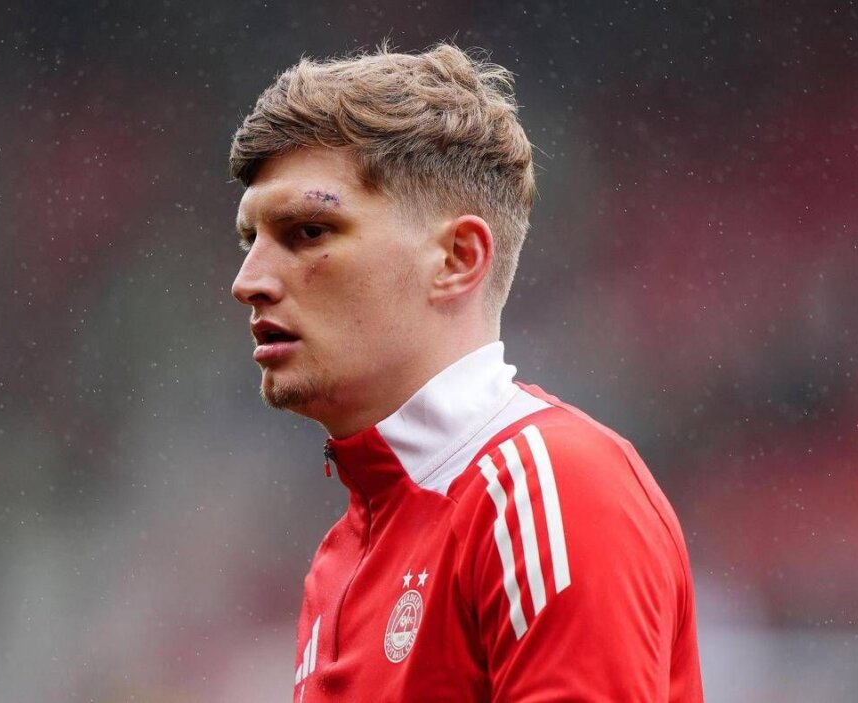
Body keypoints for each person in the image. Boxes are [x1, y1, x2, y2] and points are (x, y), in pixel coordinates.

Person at [229, 43, 703, 702]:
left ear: (457, 259)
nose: (247, 281)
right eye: (250, 240)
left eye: (309, 231)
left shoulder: (550, 486)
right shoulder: (338, 559)